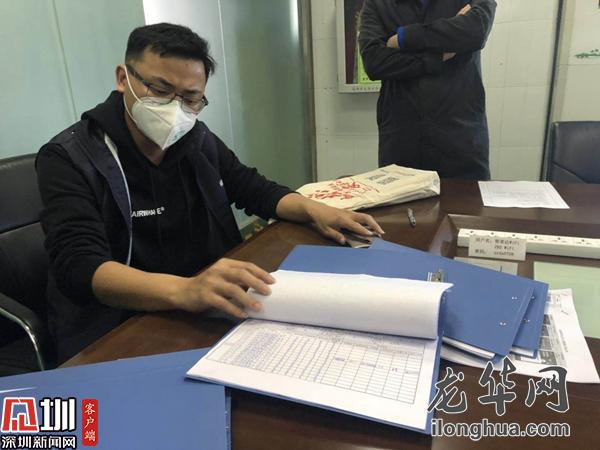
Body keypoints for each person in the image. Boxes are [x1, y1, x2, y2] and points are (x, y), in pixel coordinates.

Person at [36, 23, 384, 362]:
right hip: (122, 325)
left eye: (190, 98)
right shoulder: (69, 157)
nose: (174, 110)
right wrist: (186, 290)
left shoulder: (196, 139)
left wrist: (314, 209)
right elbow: (80, 267)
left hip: (206, 308)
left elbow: (253, 188)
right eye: (160, 90)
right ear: (123, 78)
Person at [359, 0, 496, 180]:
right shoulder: (378, 3)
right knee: (400, 198)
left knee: (466, 198)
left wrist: (404, 38)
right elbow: (374, 62)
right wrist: (437, 56)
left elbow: (476, 30)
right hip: (402, 139)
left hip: (461, 136)